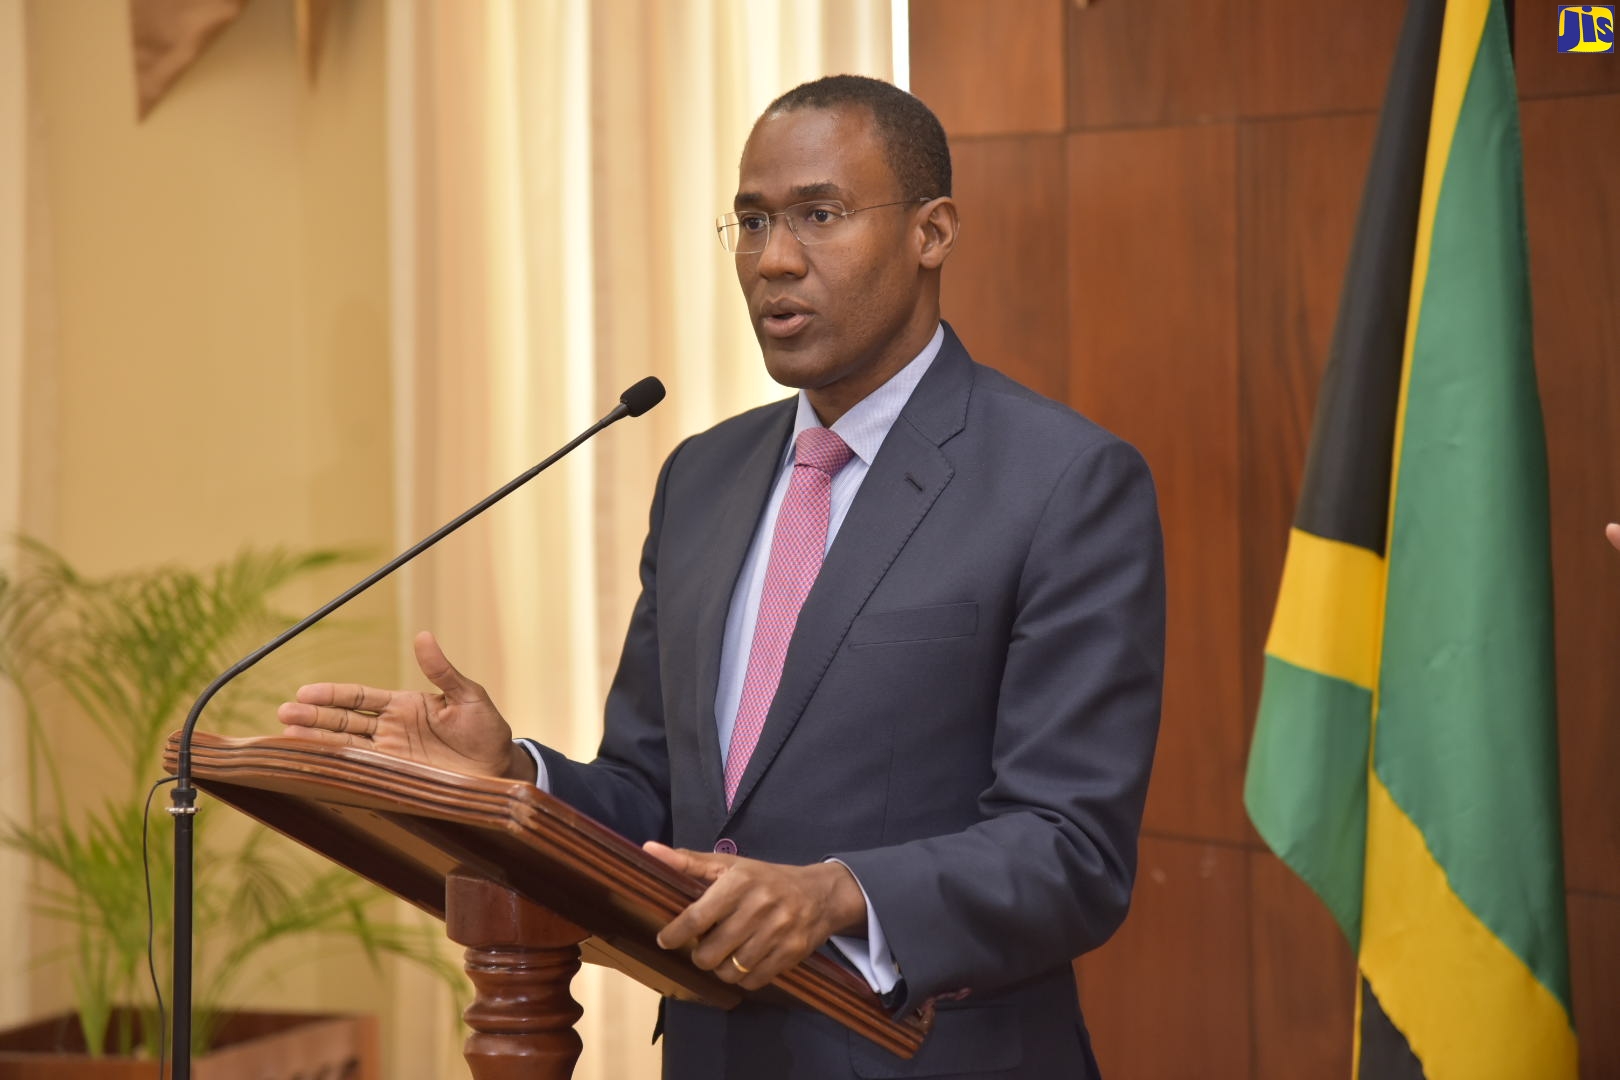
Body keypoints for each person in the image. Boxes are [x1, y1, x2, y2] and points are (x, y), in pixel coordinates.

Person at [278, 75, 1165, 1080]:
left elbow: (1072, 850)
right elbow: (655, 799)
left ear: (933, 232)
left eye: (819, 215)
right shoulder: (702, 477)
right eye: (751, 222)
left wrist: (838, 893)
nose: (774, 259)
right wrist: (516, 778)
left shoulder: (1062, 482)